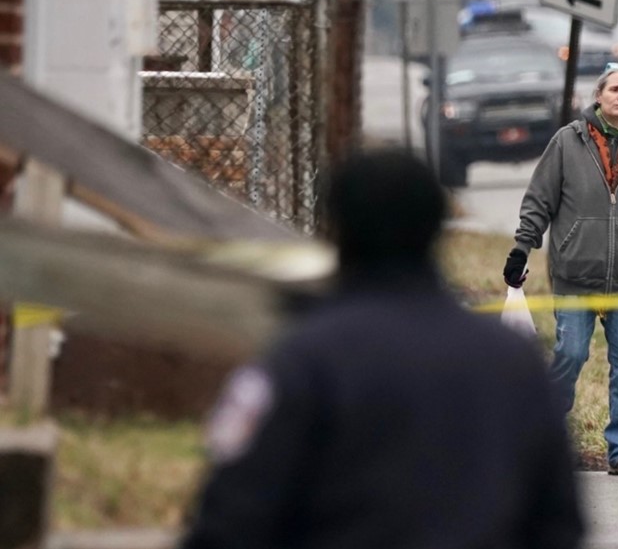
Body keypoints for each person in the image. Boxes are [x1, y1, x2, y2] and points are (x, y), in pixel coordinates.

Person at [182, 149, 584, 549]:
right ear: (437, 230)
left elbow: (229, 516)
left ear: (336, 229)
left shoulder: (302, 360)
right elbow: (559, 519)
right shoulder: (512, 360)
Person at [504, 62, 618, 477]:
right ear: (598, 96)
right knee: (570, 355)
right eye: (614, 89)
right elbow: (539, 200)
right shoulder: (567, 142)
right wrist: (522, 248)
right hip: (575, 275)